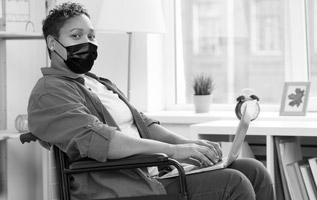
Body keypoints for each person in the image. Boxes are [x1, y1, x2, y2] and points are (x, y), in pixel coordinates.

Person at [27, 2, 274, 200]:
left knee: (254, 170)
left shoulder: (98, 82)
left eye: (91, 36)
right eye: (76, 35)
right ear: (52, 43)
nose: (87, 43)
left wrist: (190, 145)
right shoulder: (50, 92)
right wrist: (175, 151)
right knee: (233, 183)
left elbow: (144, 125)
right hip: (122, 187)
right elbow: (103, 141)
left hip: (154, 174)